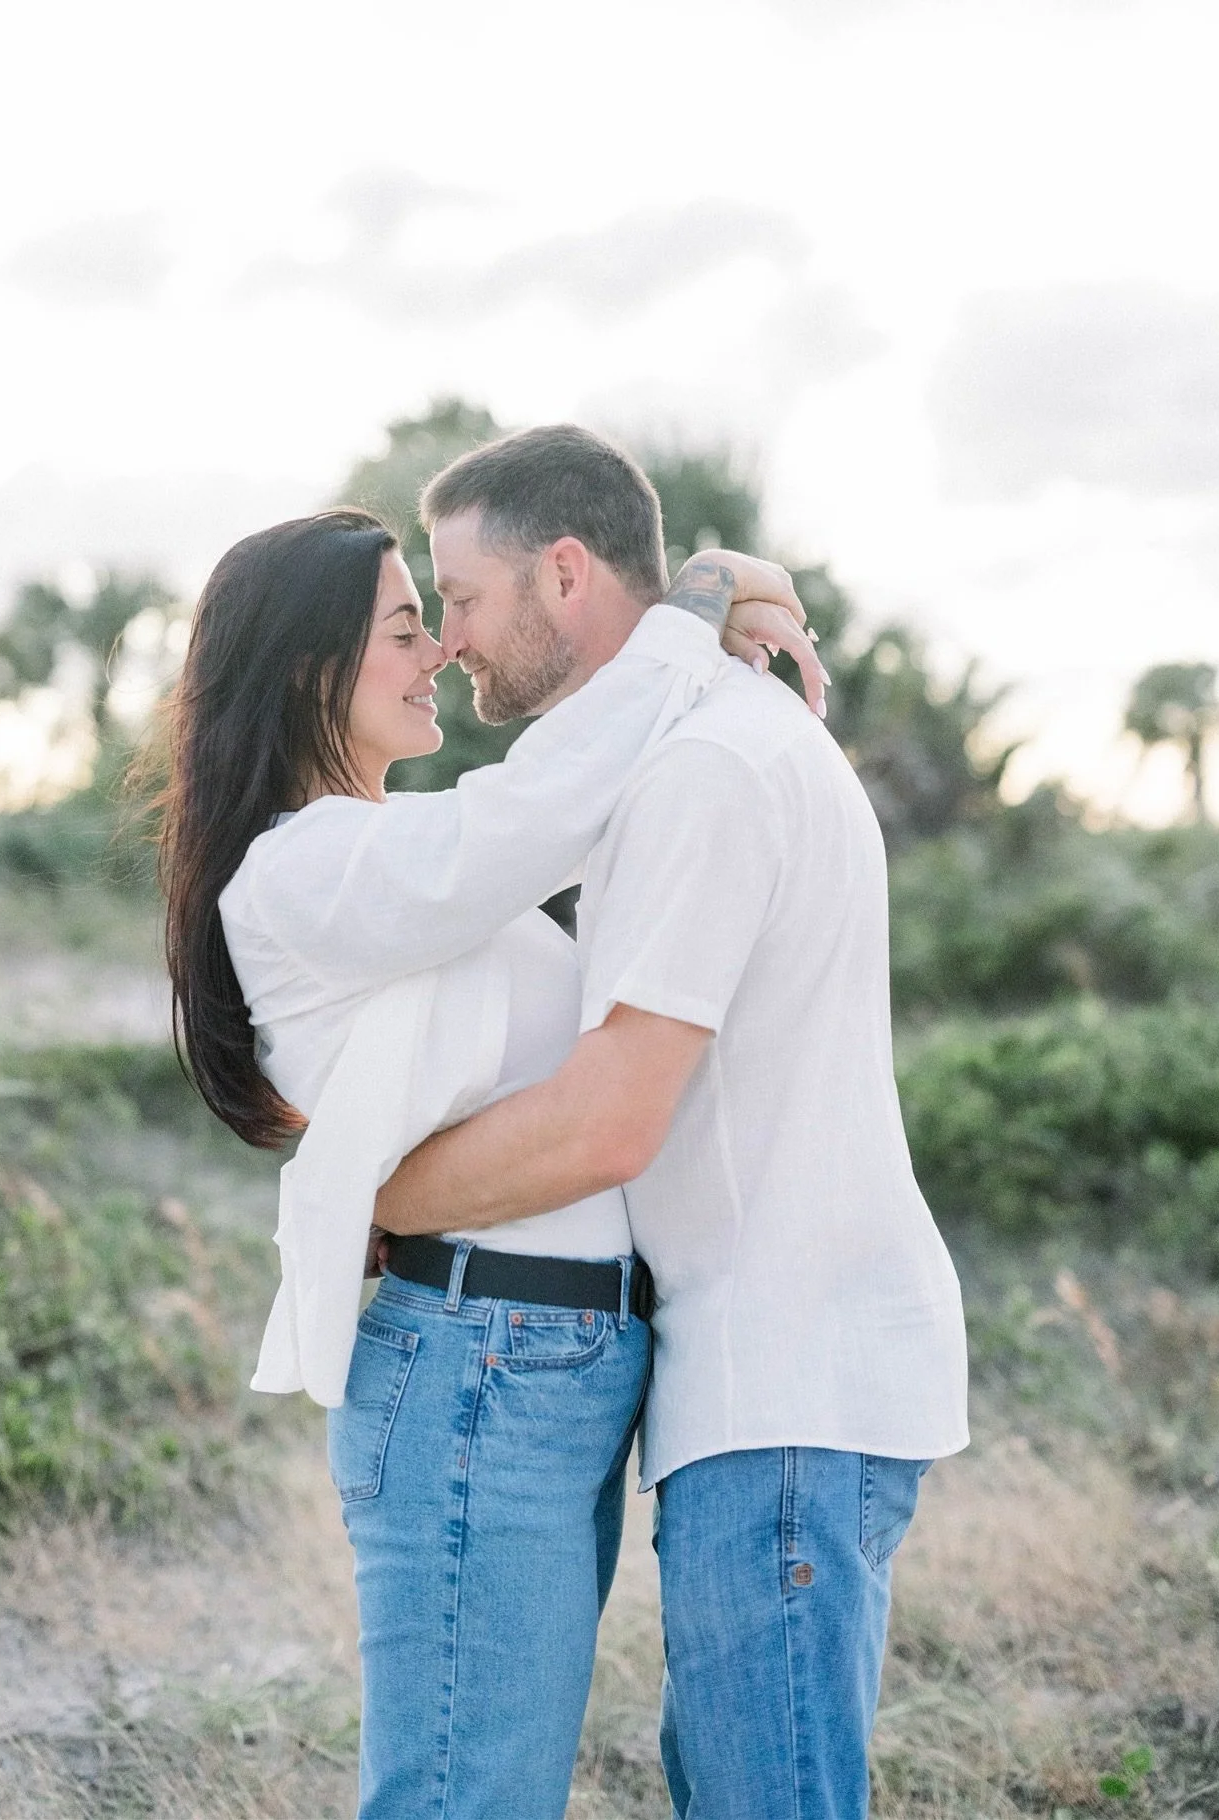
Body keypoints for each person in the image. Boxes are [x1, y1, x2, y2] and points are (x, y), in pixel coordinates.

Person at [156, 484, 824, 1820]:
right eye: (409, 628)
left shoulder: (393, 859)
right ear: (310, 668)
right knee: (468, 1798)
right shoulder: (304, 871)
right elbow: (542, 808)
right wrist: (690, 607)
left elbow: (603, 808)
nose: (441, 653)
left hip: (539, 1366)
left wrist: (725, 658)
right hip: (482, 1370)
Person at [375, 425, 971, 1820]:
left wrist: (375, 1199)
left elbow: (608, 1123)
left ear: (564, 575)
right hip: (772, 1385)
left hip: (788, 1391)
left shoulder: (705, 768)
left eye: (459, 598)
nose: (449, 641)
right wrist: (707, 588)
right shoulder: (690, 741)